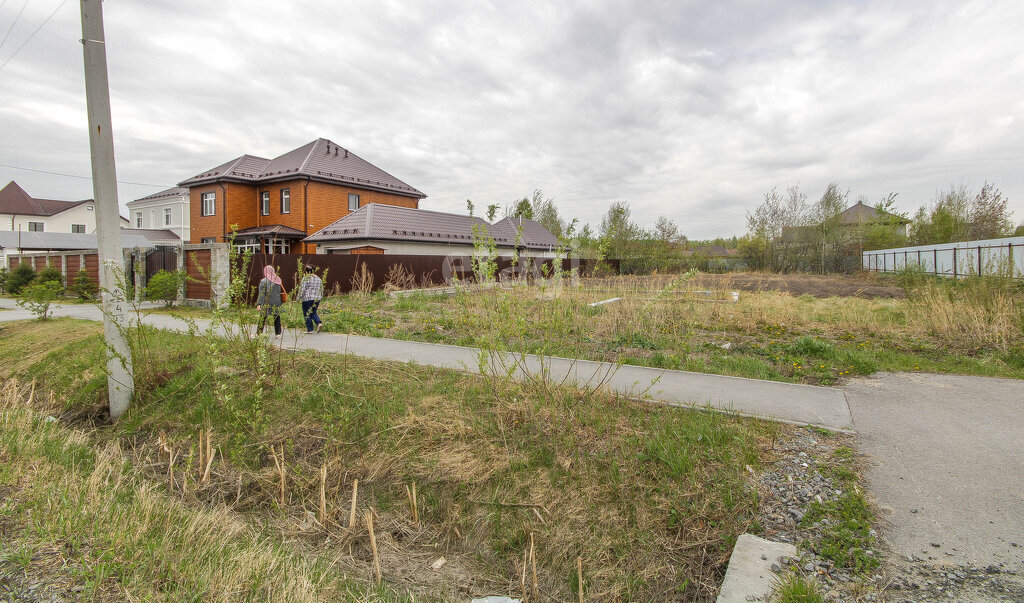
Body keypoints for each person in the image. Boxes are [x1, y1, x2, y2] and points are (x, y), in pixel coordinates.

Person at [255, 265, 284, 338]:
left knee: (263, 317)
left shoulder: (263, 281)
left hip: (266, 302)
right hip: (277, 301)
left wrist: (259, 304)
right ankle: (278, 334)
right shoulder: (278, 280)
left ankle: (259, 333)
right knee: (276, 317)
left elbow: (262, 294)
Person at [297, 264, 323, 334]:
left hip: (307, 298)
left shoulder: (306, 278)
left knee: (307, 313)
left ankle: (310, 329)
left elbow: (302, 289)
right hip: (317, 298)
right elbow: (321, 289)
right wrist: (321, 297)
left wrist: (298, 298)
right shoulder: (319, 279)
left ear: (306, 271)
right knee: (313, 312)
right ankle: (319, 323)